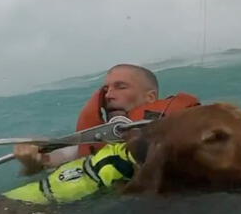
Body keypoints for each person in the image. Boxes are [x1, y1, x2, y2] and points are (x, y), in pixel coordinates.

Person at [14, 64, 160, 175]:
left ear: (150, 98)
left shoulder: (170, 136)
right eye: (106, 89)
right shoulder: (94, 141)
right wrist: (32, 157)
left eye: (120, 87)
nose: (109, 95)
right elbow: (45, 162)